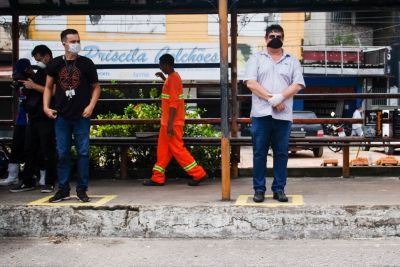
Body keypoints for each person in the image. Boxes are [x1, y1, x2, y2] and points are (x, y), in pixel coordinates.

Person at [244, 24, 305, 203]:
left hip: (283, 117)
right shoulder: (256, 58)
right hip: (261, 115)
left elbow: (297, 84)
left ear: (283, 39)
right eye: (271, 36)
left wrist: (280, 98)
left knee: (281, 154)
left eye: (278, 35)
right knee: (259, 153)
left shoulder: (292, 60)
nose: (275, 38)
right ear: (266, 39)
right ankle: (259, 189)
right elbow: (251, 83)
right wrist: (273, 100)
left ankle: (279, 189)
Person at [43, 29, 101, 202]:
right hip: (61, 116)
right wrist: (46, 107)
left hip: (81, 115)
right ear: (64, 43)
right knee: (62, 153)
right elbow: (47, 87)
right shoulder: (54, 64)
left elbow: (96, 86)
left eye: (78, 41)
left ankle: (82, 189)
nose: (76, 44)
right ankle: (63, 189)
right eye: (73, 41)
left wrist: (91, 106)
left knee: (83, 153)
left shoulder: (86, 63)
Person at [143, 54, 207, 186]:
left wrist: (170, 124)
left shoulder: (173, 79)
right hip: (167, 122)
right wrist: (163, 78)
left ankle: (198, 173)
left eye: (161, 65)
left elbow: (173, 103)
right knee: (163, 150)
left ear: (167, 65)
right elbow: (171, 92)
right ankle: (157, 177)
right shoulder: (172, 78)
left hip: (171, 123)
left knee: (178, 150)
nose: (160, 67)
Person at [10, 45, 58, 193]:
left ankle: (49, 182)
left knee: (47, 149)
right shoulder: (40, 72)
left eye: (39, 59)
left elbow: (53, 91)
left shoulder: (54, 70)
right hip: (33, 116)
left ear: (47, 57)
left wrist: (33, 85)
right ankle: (28, 180)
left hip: (46, 115)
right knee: (29, 148)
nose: (37, 63)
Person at [0, 59, 45, 186]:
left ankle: (41, 175)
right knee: (16, 147)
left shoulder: (36, 80)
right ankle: (13, 176)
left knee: (37, 148)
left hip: (34, 118)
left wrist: (32, 85)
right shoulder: (19, 84)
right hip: (21, 120)